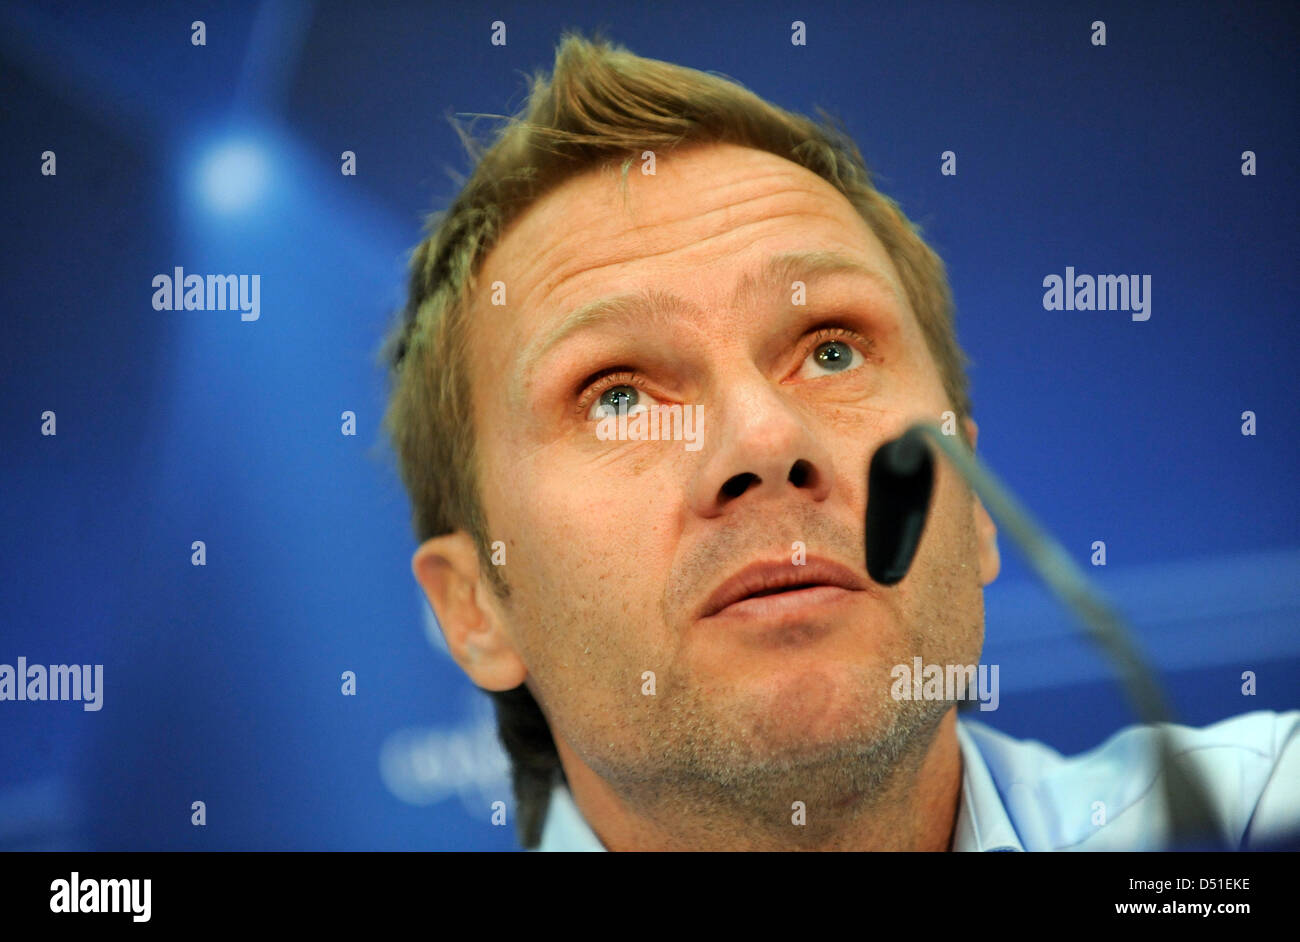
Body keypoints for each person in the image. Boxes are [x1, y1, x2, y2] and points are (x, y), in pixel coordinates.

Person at [379, 32, 1299, 851]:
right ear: (474, 611)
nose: (768, 440)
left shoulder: (1241, 823)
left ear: (971, 502)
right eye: (616, 396)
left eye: (829, 349)